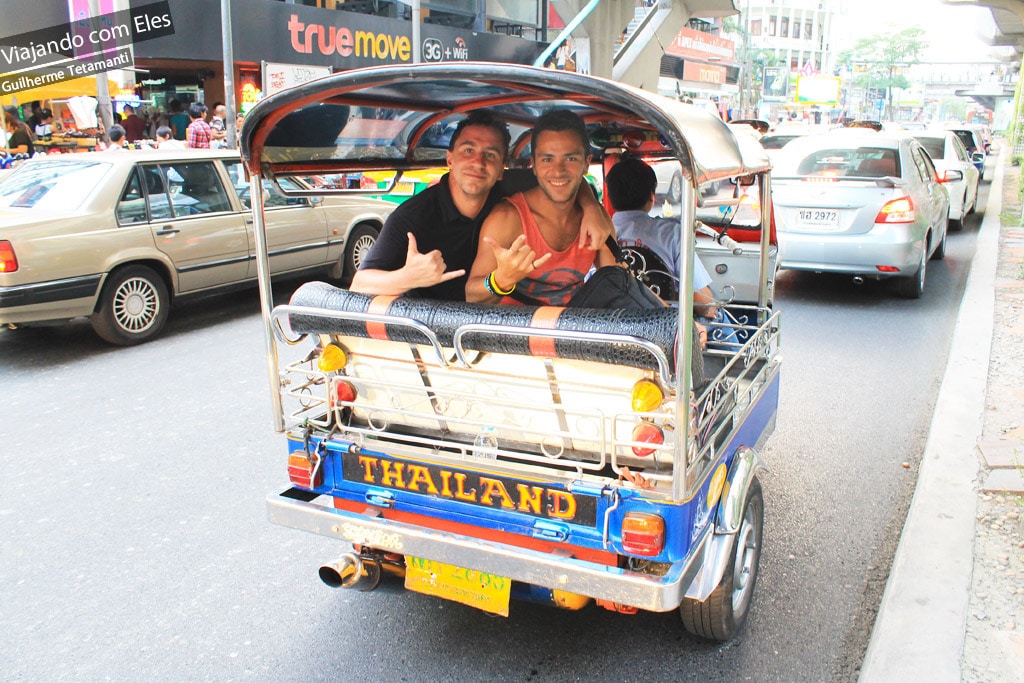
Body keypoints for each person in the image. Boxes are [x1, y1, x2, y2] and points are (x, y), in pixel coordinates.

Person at [351, 110, 612, 301]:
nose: (478, 162)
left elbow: (562, 181)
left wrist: (592, 207)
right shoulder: (414, 216)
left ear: (502, 169)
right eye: (468, 151)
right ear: (450, 159)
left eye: (490, 155)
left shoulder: (509, 189)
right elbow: (359, 284)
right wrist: (408, 278)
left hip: (493, 324)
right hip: (431, 327)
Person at [466, 109, 616, 306]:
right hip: (513, 332)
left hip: (568, 330)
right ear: (534, 165)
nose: (558, 171)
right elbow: (472, 295)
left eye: (570, 158)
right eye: (547, 159)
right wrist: (500, 280)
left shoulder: (595, 220)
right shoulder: (508, 218)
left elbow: (617, 286)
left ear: (586, 163)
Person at [605, 157, 737, 345]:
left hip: (610, 323)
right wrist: (712, 310)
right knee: (717, 317)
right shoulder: (671, 233)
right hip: (663, 324)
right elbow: (701, 301)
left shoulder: (597, 234)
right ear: (652, 196)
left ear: (610, 196)